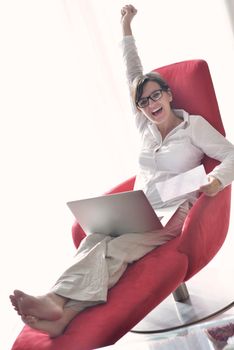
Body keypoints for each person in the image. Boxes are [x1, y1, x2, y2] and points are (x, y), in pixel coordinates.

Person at [10, 4, 234, 338]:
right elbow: (133, 73)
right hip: (139, 208)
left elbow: (231, 155)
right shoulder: (144, 126)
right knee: (95, 239)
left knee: (115, 249)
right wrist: (126, 28)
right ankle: (59, 311)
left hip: (174, 214)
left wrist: (216, 180)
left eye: (155, 95)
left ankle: (58, 302)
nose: (150, 104)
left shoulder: (193, 127)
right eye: (143, 102)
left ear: (169, 95)